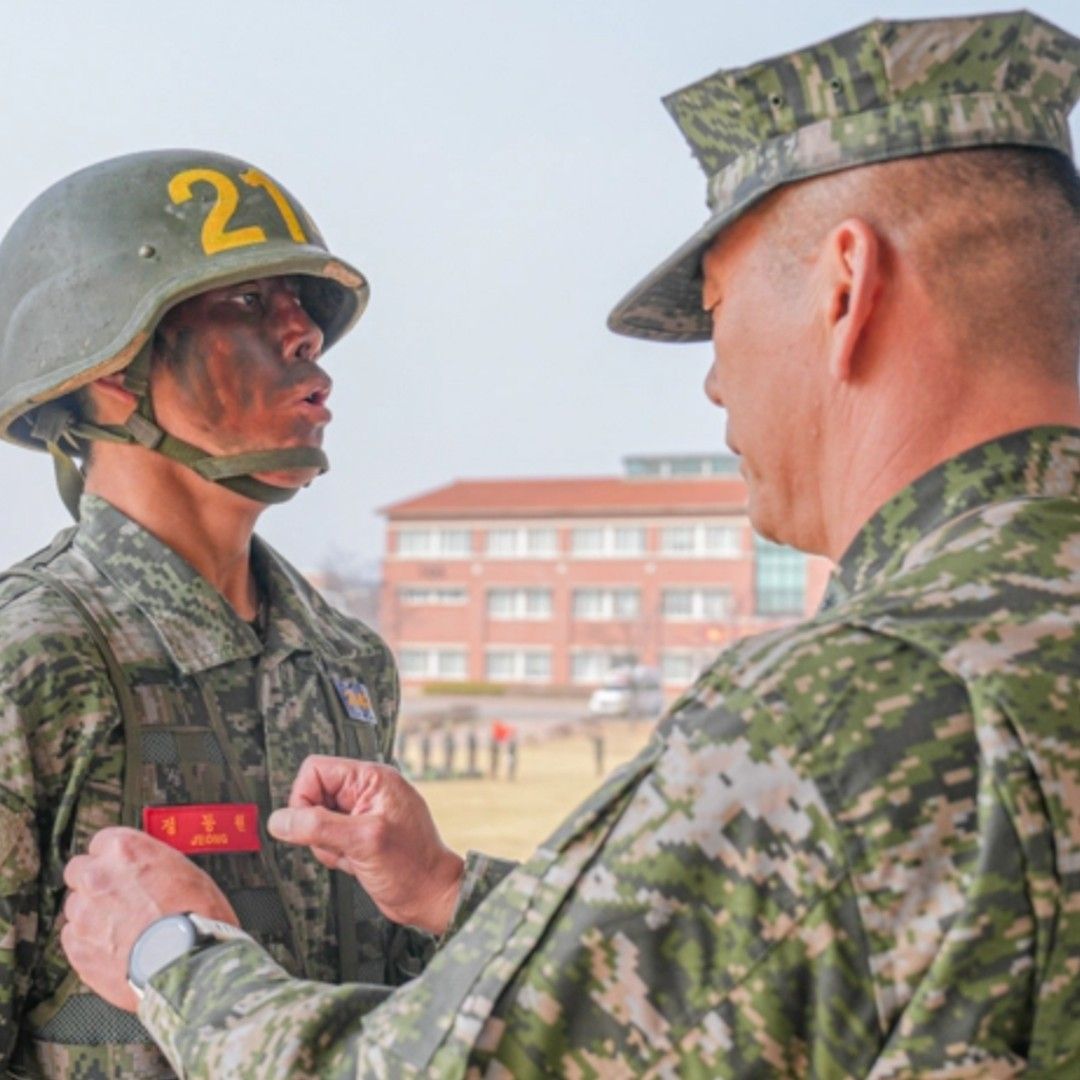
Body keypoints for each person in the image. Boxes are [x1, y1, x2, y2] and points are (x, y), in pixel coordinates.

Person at [61, 11, 1080, 1077]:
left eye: (721, 312)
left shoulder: (849, 712)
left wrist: (172, 955)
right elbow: (766, 963)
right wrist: (452, 890)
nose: (715, 381)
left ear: (844, 286)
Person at [0, 150, 508, 1077]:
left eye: (302, 304)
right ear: (111, 368)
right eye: (246, 301)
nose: (305, 333)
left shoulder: (347, 663)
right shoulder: (31, 657)